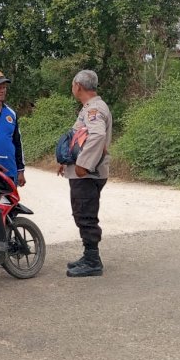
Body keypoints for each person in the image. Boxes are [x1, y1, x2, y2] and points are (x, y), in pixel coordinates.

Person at [58, 69, 112, 277]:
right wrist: (68, 162)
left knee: (86, 215)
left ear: (77, 86)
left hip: (89, 174)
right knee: (82, 213)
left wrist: (83, 164)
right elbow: (81, 139)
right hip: (87, 173)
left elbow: (97, 135)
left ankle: (92, 261)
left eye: (72, 85)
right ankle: (89, 255)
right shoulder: (90, 108)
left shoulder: (94, 109)